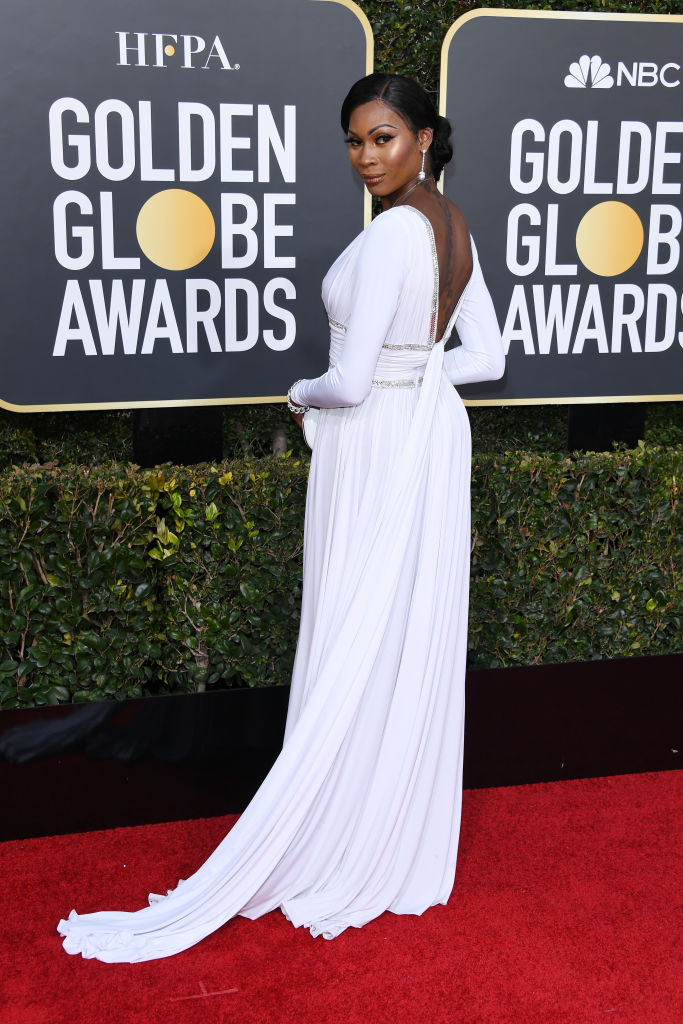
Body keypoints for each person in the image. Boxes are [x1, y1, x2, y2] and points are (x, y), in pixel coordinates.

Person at [57, 73, 504, 963]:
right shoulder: (453, 229)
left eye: (383, 137)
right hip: (419, 441)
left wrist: (303, 394)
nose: (366, 156)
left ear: (422, 138)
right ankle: (380, 827)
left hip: (374, 445)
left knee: (354, 624)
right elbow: (484, 358)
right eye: (353, 140)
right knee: (390, 627)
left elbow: (343, 381)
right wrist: (413, 387)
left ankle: (334, 831)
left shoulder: (391, 239)